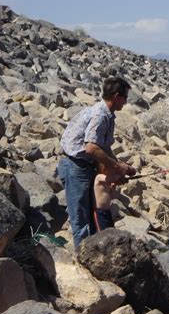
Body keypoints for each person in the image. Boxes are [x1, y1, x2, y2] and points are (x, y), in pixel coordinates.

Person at [57, 77, 136, 248]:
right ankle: (83, 261)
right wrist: (117, 166)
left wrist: (119, 171)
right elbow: (91, 148)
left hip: (84, 166)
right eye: (125, 97)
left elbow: (103, 149)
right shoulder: (100, 115)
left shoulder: (106, 115)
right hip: (76, 167)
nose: (126, 101)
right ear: (116, 96)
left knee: (92, 219)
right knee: (81, 221)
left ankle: (94, 255)